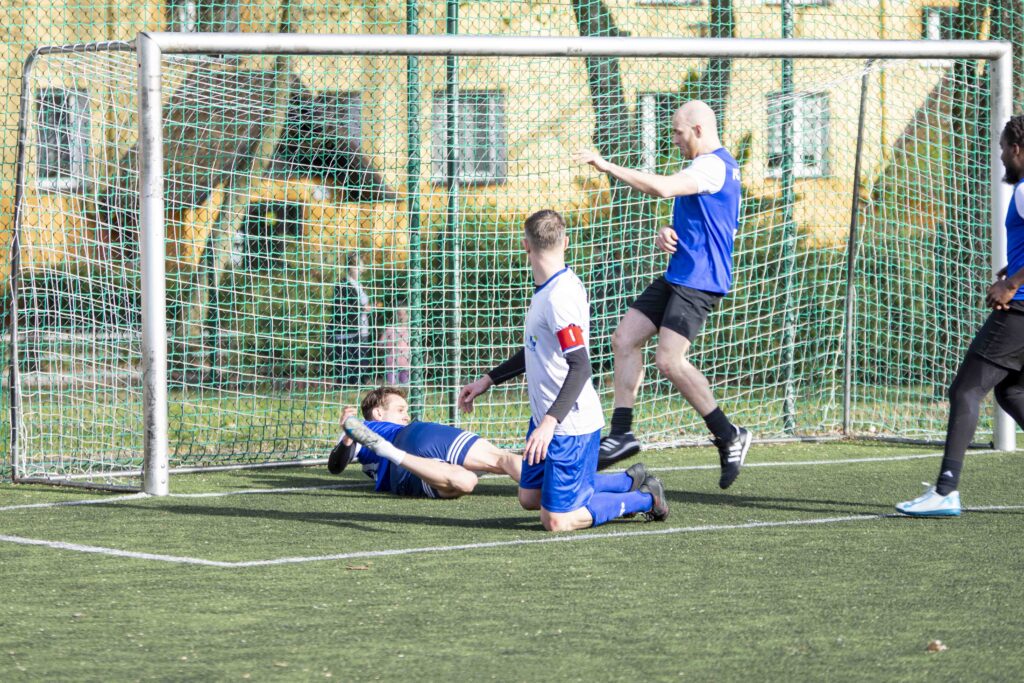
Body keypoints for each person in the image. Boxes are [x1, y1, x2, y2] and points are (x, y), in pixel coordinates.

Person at [575, 100, 751, 488]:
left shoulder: (713, 165)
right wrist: (668, 233)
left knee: (669, 360)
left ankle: (728, 434)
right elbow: (703, 219)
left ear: (698, 130)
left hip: (700, 281)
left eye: (678, 131)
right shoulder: (706, 168)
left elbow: (662, 188)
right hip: (679, 274)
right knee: (624, 338)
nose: (674, 139)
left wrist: (607, 166)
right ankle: (622, 433)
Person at [458, 209, 668, 532]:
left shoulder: (559, 297)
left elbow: (581, 366)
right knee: (530, 497)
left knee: (556, 520)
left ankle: (645, 498)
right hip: (548, 418)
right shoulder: (549, 287)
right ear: (566, 243)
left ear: (526, 246)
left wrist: (549, 422)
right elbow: (537, 348)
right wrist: (489, 379)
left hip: (569, 424)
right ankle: (627, 480)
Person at [896, 115, 1024, 517]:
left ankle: (945, 491)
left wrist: (1012, 283)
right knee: (1012, 392)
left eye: (1003, 148)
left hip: (1019, 312)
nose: (1000, 156)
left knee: (965, 391)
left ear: (1017, 149)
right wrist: (1013, 268)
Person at [331, 386, 522, 499]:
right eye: (400, 410)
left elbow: (336, 466)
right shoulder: (363, 427)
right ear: (378, 413)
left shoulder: (360, 432)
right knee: (502, 459)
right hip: (419, 435)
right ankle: (541, 492)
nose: (406, 416)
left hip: (404, 469)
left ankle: (390, 452)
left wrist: (348, 439)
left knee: (466, 481)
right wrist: (348, 435)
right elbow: (335, 465)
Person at [331, 251, 372, 384]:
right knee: (348, 360)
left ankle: (361, 381)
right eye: (357, 265)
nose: (360, 269)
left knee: (362, 359)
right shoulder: (343, 285)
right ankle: (347, 383)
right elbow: (343, 307)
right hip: (350, 331)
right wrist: (361, 308)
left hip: (362, 328)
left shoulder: (359, 285)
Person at [379, 299, 411, 385]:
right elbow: (380, 344)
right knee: (392, 386)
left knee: (405, 385)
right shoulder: (390, 329)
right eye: (399, 314)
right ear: (395, 315)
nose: (402, 317)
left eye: (405, 314)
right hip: (392, 364)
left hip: (406, 365)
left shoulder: (411, 331)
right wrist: (390, 344)